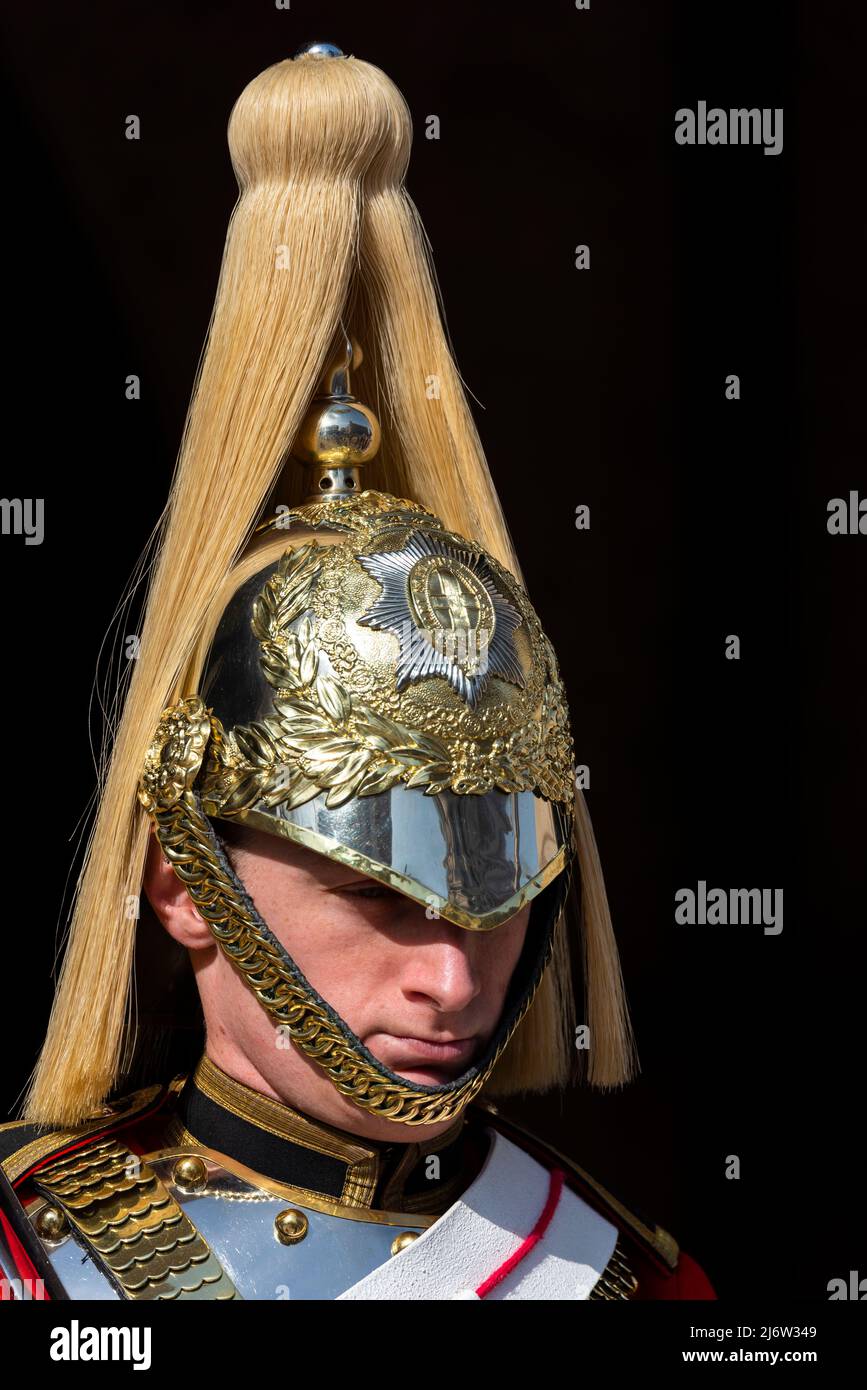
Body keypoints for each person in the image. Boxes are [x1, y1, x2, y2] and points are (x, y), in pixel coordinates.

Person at [0, 43, 715, 1301]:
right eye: (383, 889)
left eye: (496, 896)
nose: (452, 981)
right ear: (181, 881)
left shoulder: (623, 1283)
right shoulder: (31, 1266)